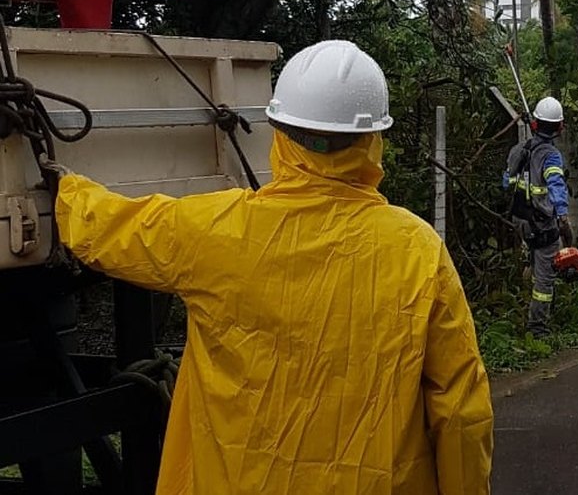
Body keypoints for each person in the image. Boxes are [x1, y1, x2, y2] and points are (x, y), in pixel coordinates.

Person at [48, 40, 494, 494]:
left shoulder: (217, 229)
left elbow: (115, 228)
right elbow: (461, 409)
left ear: (278, 129)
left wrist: (64, 189)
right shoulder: (417, 249)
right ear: (372, 140)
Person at [504, 96, 574, 337]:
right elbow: (556, 185)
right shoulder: (551, 156)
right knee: (546, 276)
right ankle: (538, 327)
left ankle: (531, 304)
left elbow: (507, 182)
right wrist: (563, 218)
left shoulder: (518, 150)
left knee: (534, 262)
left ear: (535, 123)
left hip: (519, 220)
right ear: (559, 127)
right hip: (542, 223)